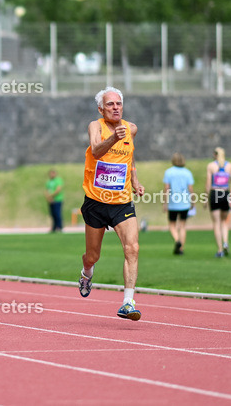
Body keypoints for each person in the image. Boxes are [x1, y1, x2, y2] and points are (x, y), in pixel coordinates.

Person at [78, 86, 145, 321]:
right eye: (110, 104)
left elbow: (130, 155)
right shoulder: (95, 126)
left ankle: (128, 302)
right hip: (96, 202)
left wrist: (135, 180)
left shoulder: (131, 129)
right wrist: (113, 137)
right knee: (92, 256)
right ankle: (87, 271)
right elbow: (96, 151)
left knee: (132, 248)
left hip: (122, 201)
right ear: (101, 109)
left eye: (118, 104)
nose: (115, 108)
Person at [163, 153, 194, 255]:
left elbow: (166, 188)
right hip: (185, 202)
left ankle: (177, 241)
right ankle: (181, 248)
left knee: (172, 225)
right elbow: (190, 189)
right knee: (183, 226)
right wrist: (193, 201)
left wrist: (165, 202)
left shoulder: (169, 172)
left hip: (173, 202)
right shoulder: (187, 172)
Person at [205, 147, 231, 257]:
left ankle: (220, 249)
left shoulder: (211, 166)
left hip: (215, 194)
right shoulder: (229, 166)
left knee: (216, 223)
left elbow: (208, 184)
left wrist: (205, 198)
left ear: (215, 154)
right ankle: (225, 242)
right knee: (224, 222)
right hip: (225, 193)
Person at [45, 169, 64, 233]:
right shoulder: (49, 181)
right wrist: (48, 198)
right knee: (52, 214)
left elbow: (58, 189)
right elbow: (47, 190)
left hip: (57, 199)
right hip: (51, 200)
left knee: (57, 213)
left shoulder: (58, 180)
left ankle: (59, 227)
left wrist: (51, 196)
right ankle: (54, 227)